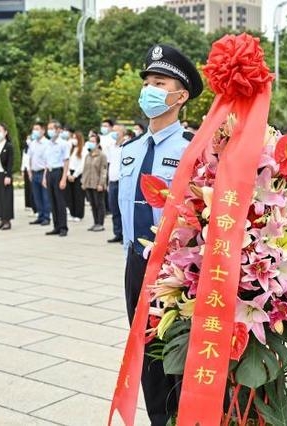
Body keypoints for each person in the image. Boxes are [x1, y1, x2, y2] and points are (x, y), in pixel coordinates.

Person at [118, 43, 203, 425]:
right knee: (145, 353)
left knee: (178, 355)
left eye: (159, 82)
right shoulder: (129, 150)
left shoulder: (193, 150)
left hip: (177, 272)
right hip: (137, 264)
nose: (149, 89)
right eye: (147, 82)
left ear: (180, 95)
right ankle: (158, 419)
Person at [43, 120, 69, 236]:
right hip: (49, 172)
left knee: (60, 201)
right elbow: (46, 162)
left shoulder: (63, 144)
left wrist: (64, 178)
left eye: (52, 128)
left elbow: (66, 161)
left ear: (58, 130)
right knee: (52, 201)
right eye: (48, 129)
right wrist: (44, 177)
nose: (50, 131)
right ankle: (56, 226)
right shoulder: (48, 143)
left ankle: (63, 227)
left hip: (59, 172)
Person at [82, 134, 108, 232]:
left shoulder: (102, 156)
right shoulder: (87, 156)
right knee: (93, 204)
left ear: (97, 143)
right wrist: (83, 183)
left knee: (99, 204)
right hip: (89, 184)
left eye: (93, 141)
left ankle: (100, 223)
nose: (91, 143)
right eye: (90, 141)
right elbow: (85, 170)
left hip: (98, 184)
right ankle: (95, 222)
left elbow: (104, 170)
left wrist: (101, 183)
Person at [27, 123, 51, 226]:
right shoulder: (32, 143)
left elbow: (48, 161)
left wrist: (45, 176)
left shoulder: (47, 143)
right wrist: (29, 171)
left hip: (43, 172)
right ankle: (40, 215)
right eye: (33, 129)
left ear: (43, 131)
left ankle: (46, 217)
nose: (34, 131)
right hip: (34, 172)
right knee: (37, 196)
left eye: (37, 129)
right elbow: (29, 157)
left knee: (45, 196)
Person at [107, 125, 124, 243]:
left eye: (116, 131)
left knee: (123, 210)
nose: (114, 133)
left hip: (122, 182)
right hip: (112, 182)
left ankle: (125, 234)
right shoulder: (111, 147)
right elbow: (109, 164)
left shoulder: (126, 146)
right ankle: (117, 233)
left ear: (122, 133)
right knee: (114, 209)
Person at [65, 129, 86, 221]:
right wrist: (69, 173)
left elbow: (82, 164)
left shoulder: (83, 150)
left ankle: (79, 214)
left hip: (78, 174)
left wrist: (75, 175)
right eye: (73, 138)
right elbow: (67, 162)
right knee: (70, 195)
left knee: (78, 195)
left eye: (75, 138)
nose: (73, 140)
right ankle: (72, 213)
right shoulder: (71, 149)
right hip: (70, 172)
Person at [21, 134, 36, 214]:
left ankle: (34, 206)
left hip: (33, 169)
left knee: (32, 189)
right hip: (27, 169)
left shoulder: (34, 147)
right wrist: (22, 170)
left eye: (29, 138)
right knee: (27, 188)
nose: (28, 140)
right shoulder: (25, 149)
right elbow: (24, 160)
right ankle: (28, 204)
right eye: (27, 138)